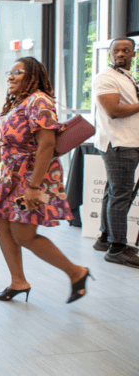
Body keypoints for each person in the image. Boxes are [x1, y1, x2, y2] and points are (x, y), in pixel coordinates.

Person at [0, 57, 93, 302]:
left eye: (17, 72)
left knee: (24, 235)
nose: (10, 76)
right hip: (11, 178)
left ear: (32, 76)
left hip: (33, 178)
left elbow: (47, 144)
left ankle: (77, 272)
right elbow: (0, 146)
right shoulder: (14, 105)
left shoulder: (39, 101)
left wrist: (33, 187)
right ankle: (18, 281)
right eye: (10, 72)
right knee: (1, 223)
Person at [92, 37, 139, 268]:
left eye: (126, 50)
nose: (121, 53)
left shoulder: (125, 76)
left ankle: (105, 239)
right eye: (116, 50)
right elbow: (113, 110)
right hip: (119, 144)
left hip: (128, 142)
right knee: (120, 195)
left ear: (133, 53)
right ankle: (117, 248)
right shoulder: (106, 77)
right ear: (109, 53)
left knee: (114, 192)